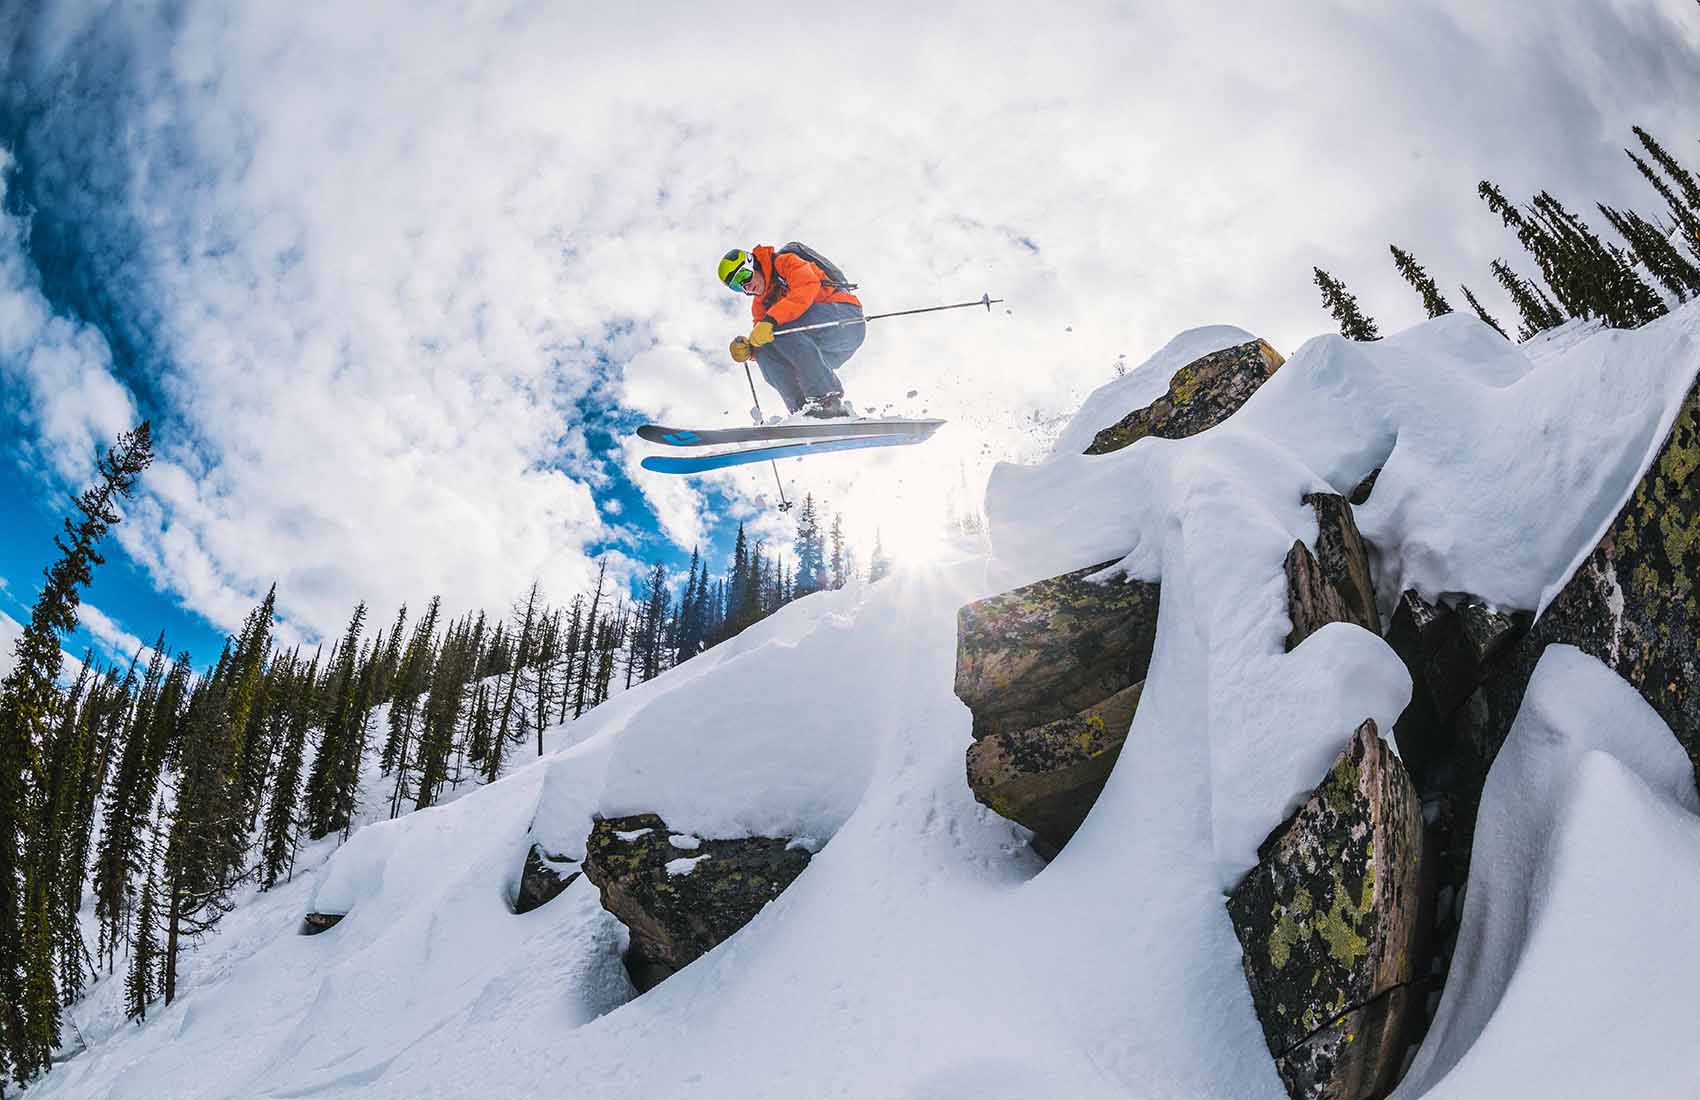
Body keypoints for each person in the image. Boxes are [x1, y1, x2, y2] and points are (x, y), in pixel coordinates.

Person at [719, 244, 864, 418]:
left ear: (754, 263)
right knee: (764, 347)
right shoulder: (760, 305)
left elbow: (806, 286)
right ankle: (804, 411)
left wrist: (771, 320)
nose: (746, 286)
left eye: (744, 275)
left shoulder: (785, 263)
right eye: (737, 286)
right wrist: (751, 350)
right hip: (817, 353)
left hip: (845, 321)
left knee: (779, 327)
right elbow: (767, 341)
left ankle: (827, 402)